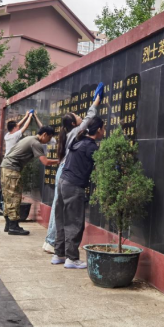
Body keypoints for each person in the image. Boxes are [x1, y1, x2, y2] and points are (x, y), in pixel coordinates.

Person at [42, 89, 102, 253]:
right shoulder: (76, 132)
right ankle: (52, 241)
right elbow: (89, 117)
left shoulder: (68, 133)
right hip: (68, 172)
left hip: (63, 171)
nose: (80, 116)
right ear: (74, 124)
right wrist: (96, 101)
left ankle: (52, 242)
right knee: (63, 211)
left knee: (58, 207)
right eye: (77, 116)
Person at [51, 115, 105, 269]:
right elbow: (102, 165)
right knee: (74, 222)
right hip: (74, 185)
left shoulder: (78, 141)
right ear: (98, 129)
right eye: (104, 128)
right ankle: (72, 258)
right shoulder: (90, 146)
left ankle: (59, 254)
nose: (104, 131)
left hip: (63, 182)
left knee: (61, 219)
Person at [0, 125, 60, 235]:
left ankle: (8, 225)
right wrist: (60, 160)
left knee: (8, 196)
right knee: (14, 196)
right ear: (44, 134)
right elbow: (45, 162)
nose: (48, 141)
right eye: (49, 137)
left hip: (6, 168)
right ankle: (13, 227)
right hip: (12, 169)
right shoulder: (36, 143)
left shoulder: (29, 138)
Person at [0, 111, 34, 215]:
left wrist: (25, 116)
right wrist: (29, 117)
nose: (18, 127)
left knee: (3, 185)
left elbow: (18, 125)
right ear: (14, 128)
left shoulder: (8, 135)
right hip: (11, 162)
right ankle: (1, 207)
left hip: (5, 161)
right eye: (17, 126)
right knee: (8, 187)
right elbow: (24, 126)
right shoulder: (15, 136)